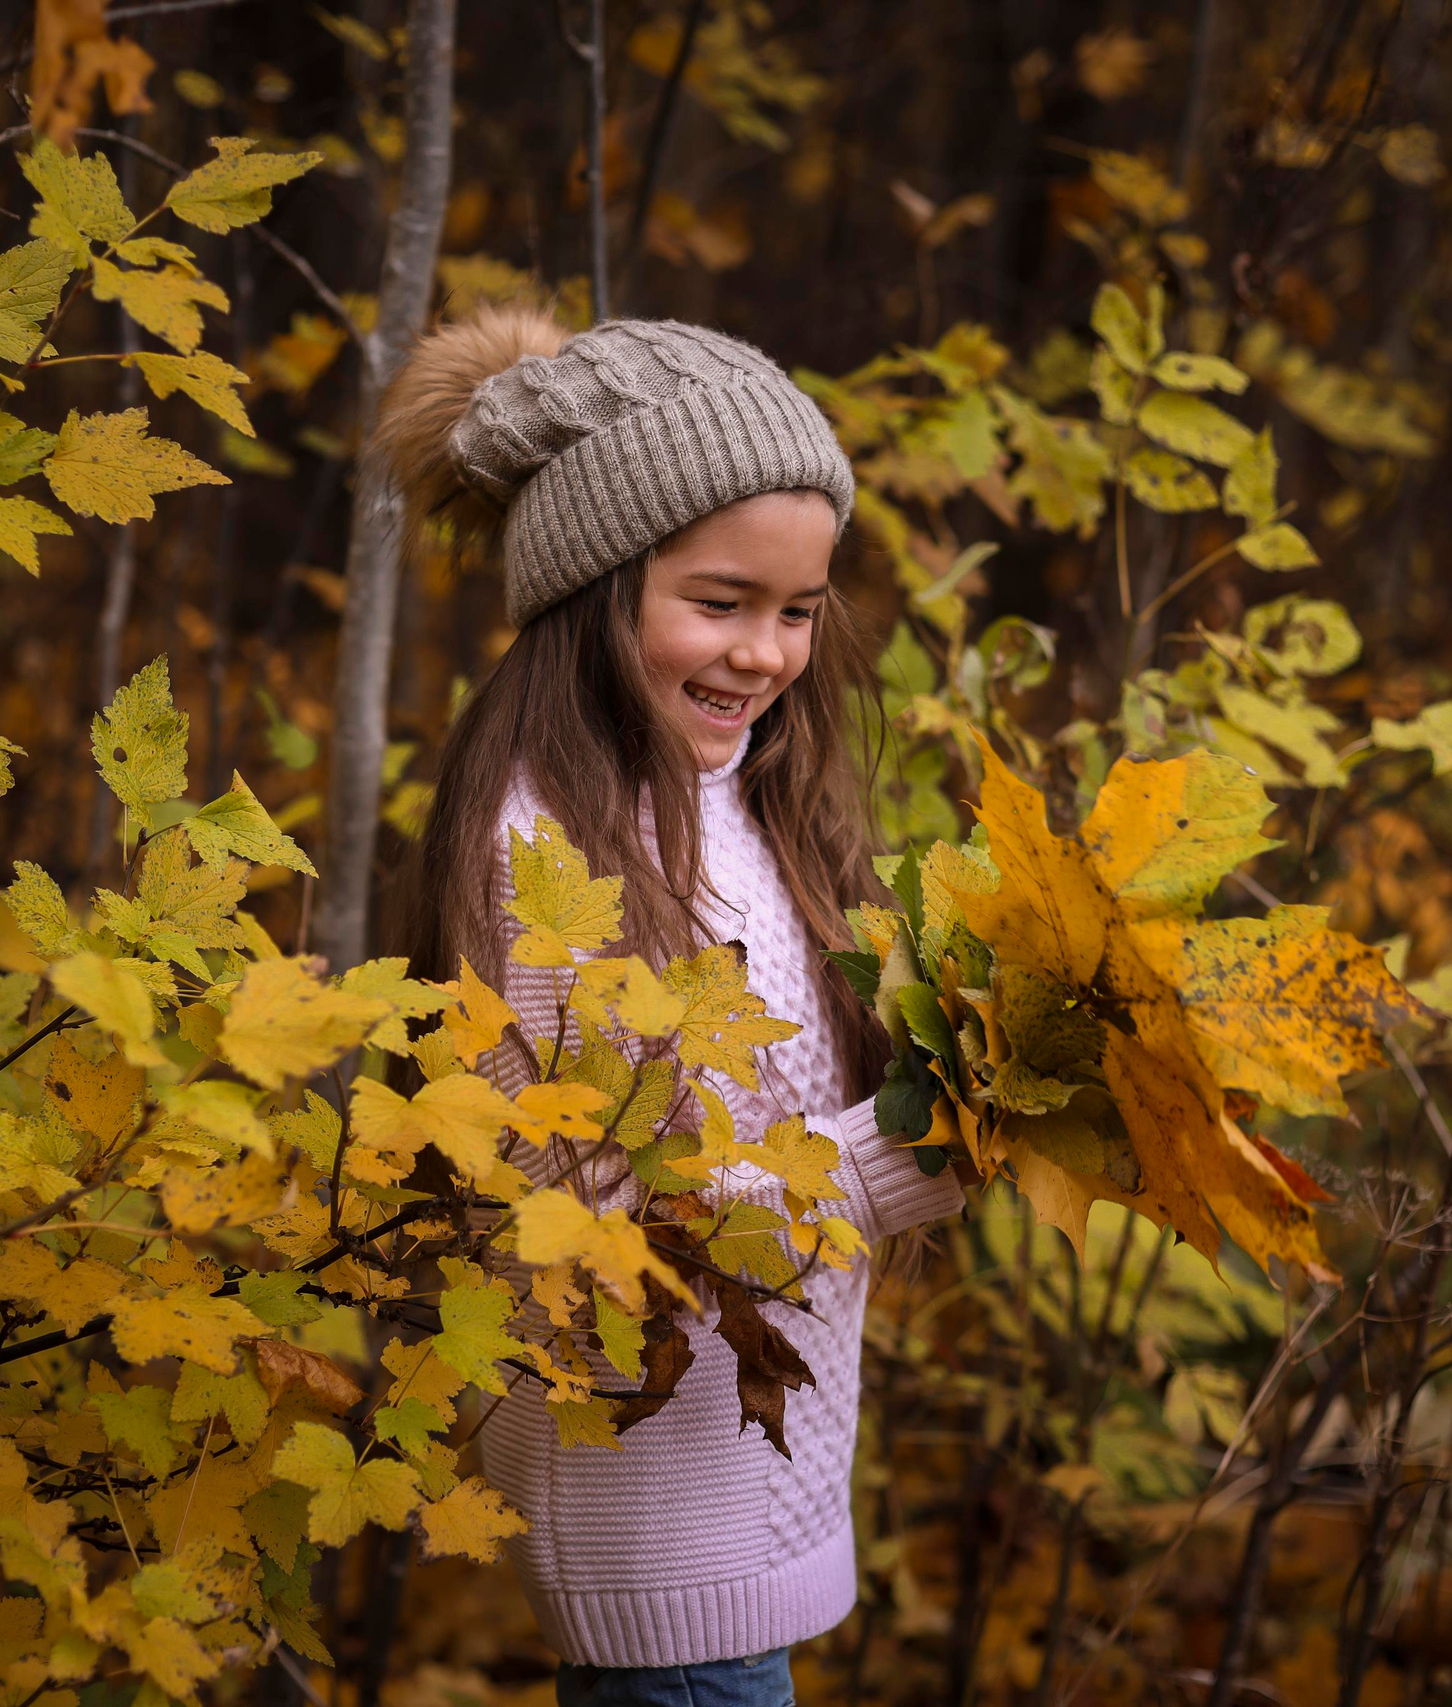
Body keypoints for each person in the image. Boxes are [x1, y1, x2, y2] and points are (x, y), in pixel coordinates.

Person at [378, 304, 970, 1707]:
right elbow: (583, 1237)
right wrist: (890, 1165)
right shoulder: (546, 854)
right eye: (719, 602)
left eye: (798, 612)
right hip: (653, 1512)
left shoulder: (732, 800)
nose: (764, 654)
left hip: (743, 1486)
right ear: (594, 588)